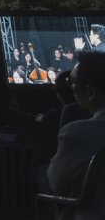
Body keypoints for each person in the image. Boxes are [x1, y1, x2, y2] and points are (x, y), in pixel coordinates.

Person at [47, 51, 105, 216]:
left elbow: (55, 184)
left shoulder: (77, 134)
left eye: (71, 82)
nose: (70, 87)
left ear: (90, 92)